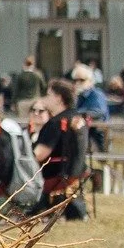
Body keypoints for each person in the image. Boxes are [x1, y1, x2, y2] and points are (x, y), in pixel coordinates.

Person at [35, 81, 89, 217]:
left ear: (58, 98)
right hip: (77, 173)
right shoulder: (78, 118)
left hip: (54, 175)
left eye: (49, 95)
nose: (46, 99)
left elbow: (39, 155)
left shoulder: (56, 122)